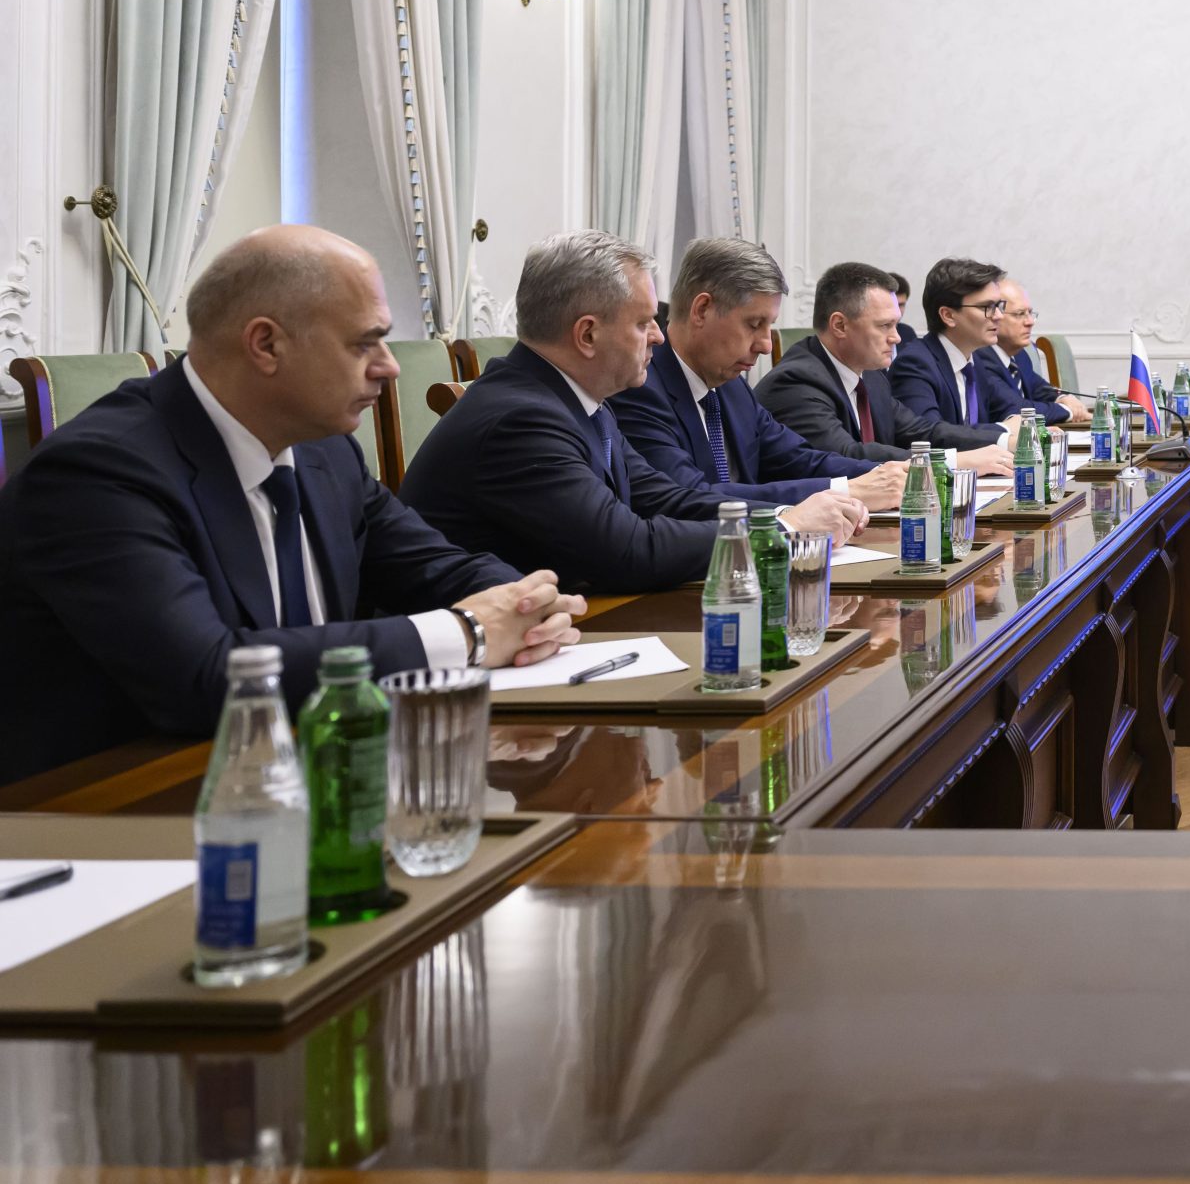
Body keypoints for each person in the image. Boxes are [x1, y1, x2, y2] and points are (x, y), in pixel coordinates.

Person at [0, 226, 581, 783]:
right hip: (115, 806)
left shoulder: (324, 450)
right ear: (266, 344)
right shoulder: (97, 473)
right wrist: (468, 632)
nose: (390, 366)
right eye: (364, 343)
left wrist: (525, 605)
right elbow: (207, 677)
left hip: (312, 769)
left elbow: (435, 567)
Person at [400, 231, 865, 597]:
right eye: (644, 323)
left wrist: (785, 516)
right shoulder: (521, 419)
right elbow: (627, 550)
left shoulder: (580, 403)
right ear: (587, 335)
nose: (659, 337)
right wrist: (785, 529)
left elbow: (668, 499)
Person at [608, 238, 905, 521]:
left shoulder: (732, 385)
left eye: (769, 325)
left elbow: (798, 459)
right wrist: (846, 491)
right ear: (702, 310)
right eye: (754, 324)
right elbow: (690, 496)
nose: (765, 345)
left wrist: (887, 474)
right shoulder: (639, 388)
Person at [757, 260, 1016, 475]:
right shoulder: (796, 381)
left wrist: (1003, 441)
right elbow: (845, 454)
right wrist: (953, 462)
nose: (896, 338)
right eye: (884, 326)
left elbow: (921, 431)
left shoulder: (871, 374)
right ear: (840, 325)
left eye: (896, 324)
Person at [891, 257, 1033, 431]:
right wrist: (1004, 431)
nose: (998, 316)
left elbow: (1008, 407)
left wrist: (1022, 424)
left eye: (999, 306)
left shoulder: (973, 360)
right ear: (948, 315)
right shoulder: (915, 363)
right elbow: (929, 433)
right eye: (986, 307)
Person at [977, 278, 1088, 425]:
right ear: (995, 314)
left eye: (1029, 313)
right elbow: (1017, 409)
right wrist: (1068, 411)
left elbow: (1038, 388)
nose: (1029, 322)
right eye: (1019, 314)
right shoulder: (980, 358)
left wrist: (1063, 398)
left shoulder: (1019, 354)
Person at [890, 271, 918, 345]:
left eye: (901, 305)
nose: (897, 311)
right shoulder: (868, 335)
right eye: (892, 304)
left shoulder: (908, 333)